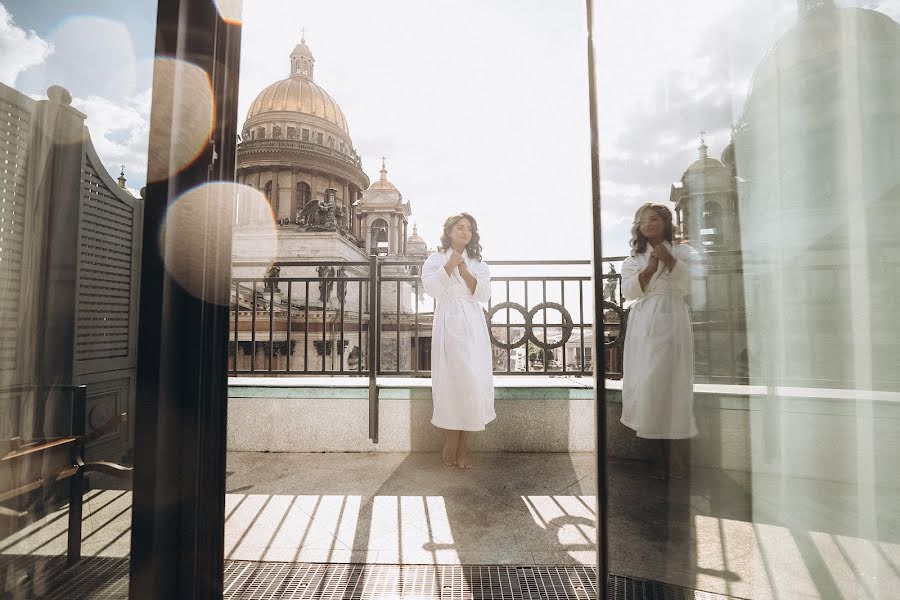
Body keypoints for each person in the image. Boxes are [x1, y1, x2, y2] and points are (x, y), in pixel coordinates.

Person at [621, 203, 698, 479]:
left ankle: (677, 460)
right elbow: (629, 291)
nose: (648, 224)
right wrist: (651, 266)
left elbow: (692, 284)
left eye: (654, 219)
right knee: (650, 386)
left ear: (665, 222)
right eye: (643, 221)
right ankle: (658, 461)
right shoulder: (634, 259)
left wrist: (670, 261)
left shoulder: (684, 252)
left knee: (675, 385)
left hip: (673, 317)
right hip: (645, 322)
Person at [421, 213, 494, 469]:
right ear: (450, 231)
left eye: (469, 229)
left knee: (472, 381)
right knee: (454, 380)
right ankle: (451, 439)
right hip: (448, 321)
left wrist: (464, 269)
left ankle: (464, 445)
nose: (465, 232)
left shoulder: (477, 263)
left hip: (472, 323)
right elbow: (430, 289)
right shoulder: (435, 259)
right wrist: (449, 266)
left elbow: (484, 294)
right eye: (460, 228)